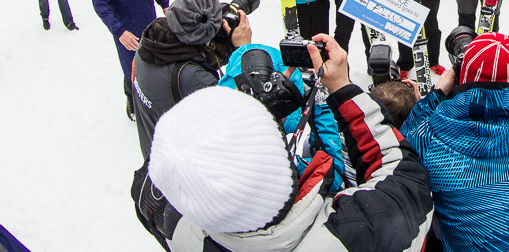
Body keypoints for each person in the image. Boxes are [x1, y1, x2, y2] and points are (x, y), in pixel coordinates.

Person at [133, 34, 434, 251]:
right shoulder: (354, 230)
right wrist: (341, 87)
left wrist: (260, 121)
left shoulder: (177, 229)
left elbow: (161, 170)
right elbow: (404, 176)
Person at [402, 33, 509, 251]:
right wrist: (507, 76)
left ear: (461, 77)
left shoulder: (429, 137)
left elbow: (401, 148)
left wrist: (437, 94)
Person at [132, 0, 252, 158]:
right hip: (182, 172)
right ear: (208, 43)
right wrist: (242, 50)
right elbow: (243, 115)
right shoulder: (193, 78)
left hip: (154, 153)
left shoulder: (151, 43)